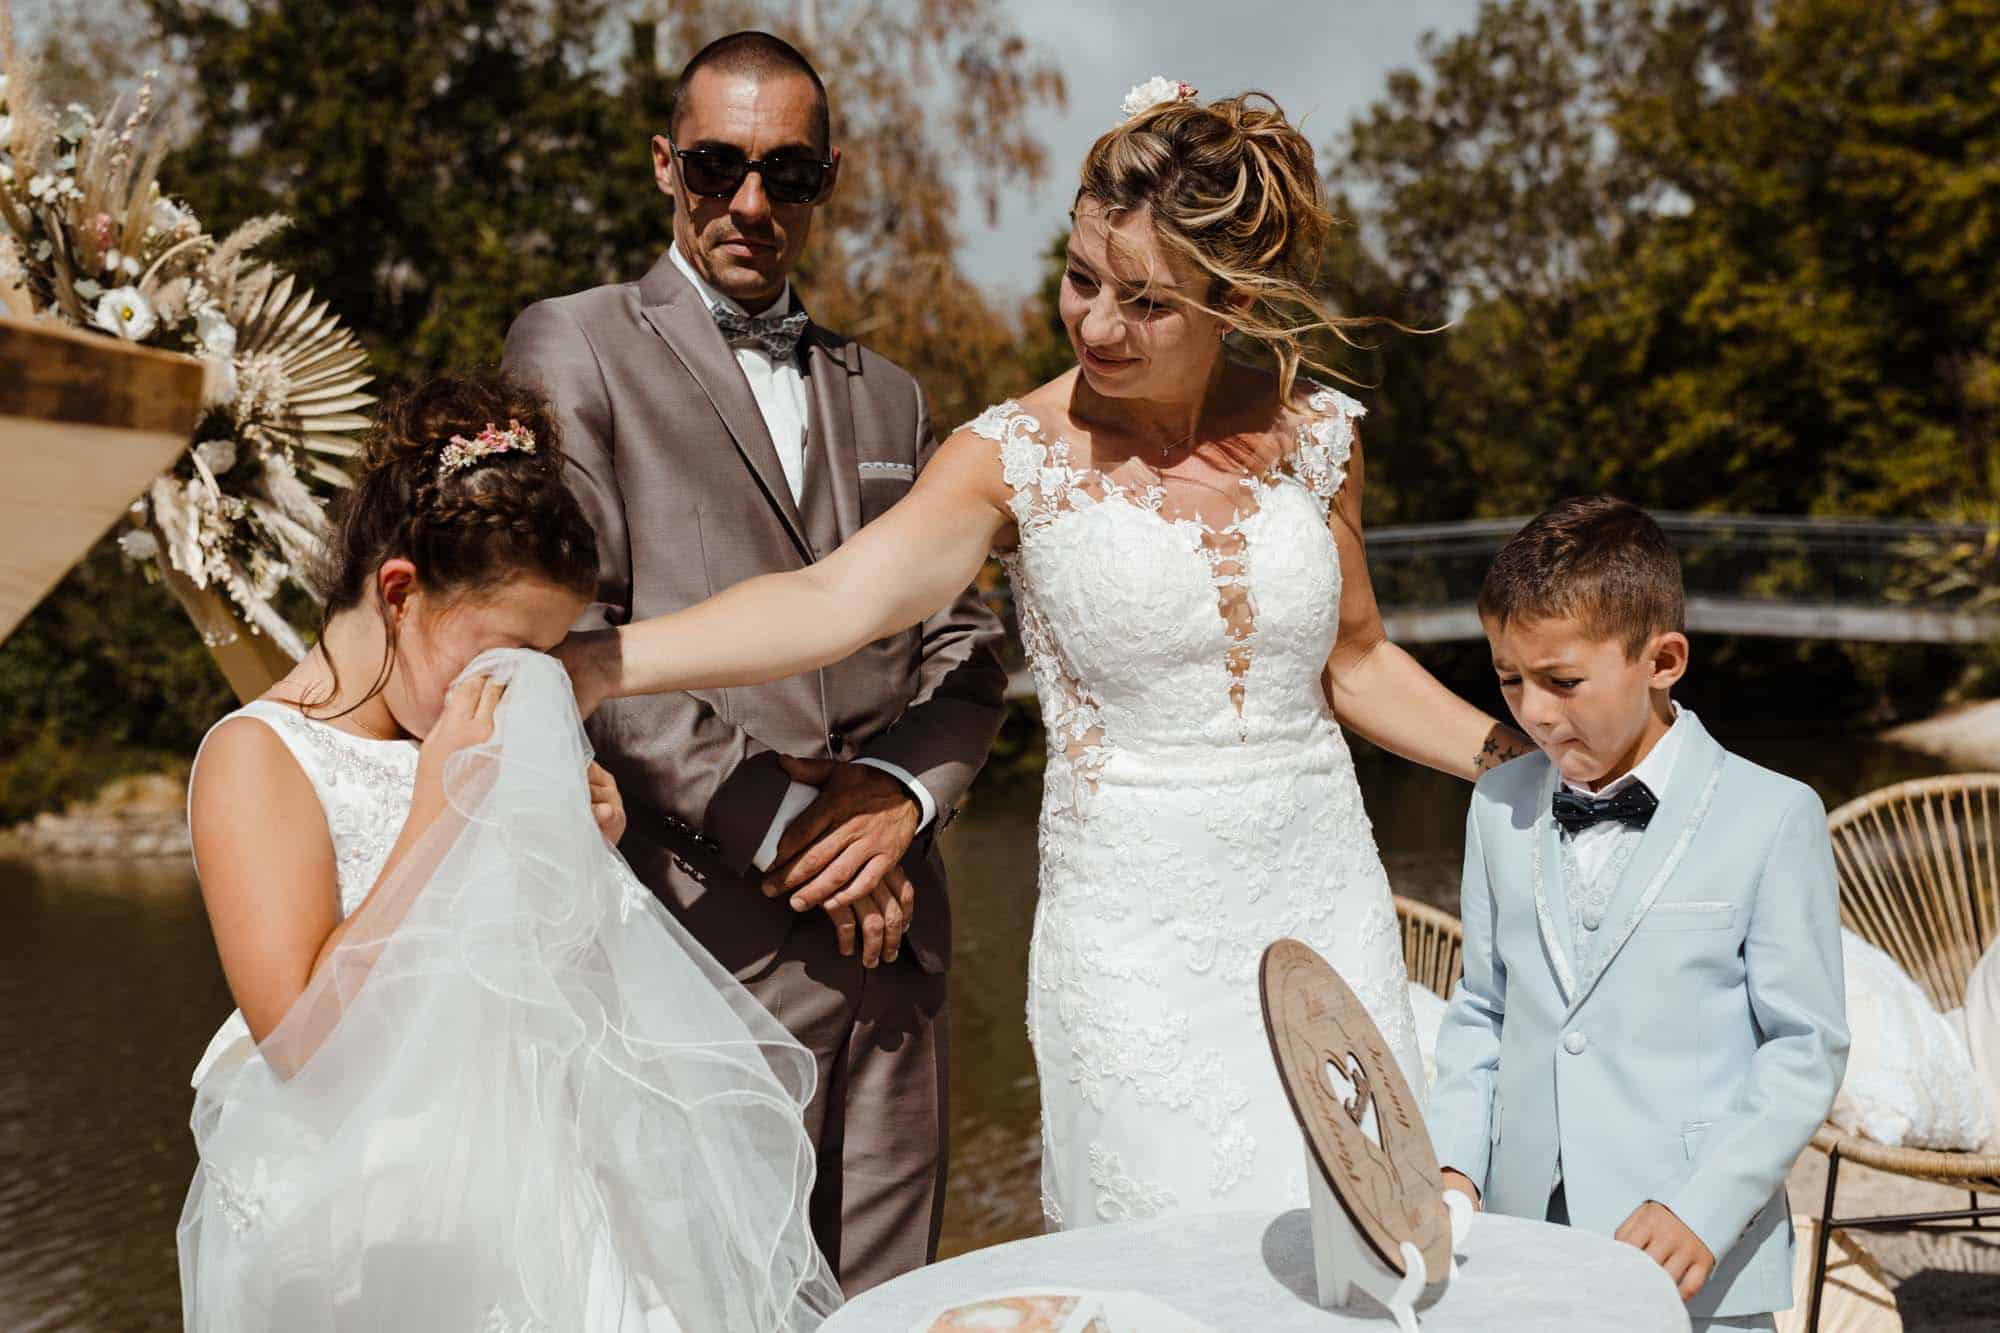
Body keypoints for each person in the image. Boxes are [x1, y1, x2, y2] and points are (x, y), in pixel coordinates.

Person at [559, 81, 1532, 1231]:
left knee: (1364, 1245)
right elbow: (830, 600)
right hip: (1130, 942)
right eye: (1080, 280)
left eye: (1146, 301)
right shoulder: (1009, 456)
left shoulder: (1314, 435)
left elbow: (1357, 665)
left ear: (1232, 300)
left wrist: (1524, 758)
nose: (1096, 324)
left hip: (1325, 904)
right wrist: (595, 663)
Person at [501, 30, 1008, 1288]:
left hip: (896, 943)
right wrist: (794, 830)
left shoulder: (888, 396)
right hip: (702, 941)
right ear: (664, 165)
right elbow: (578, 648)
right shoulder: (572, 346)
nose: (749, 202)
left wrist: (894, 800)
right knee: (715, 1296)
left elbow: (970, 643)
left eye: (786, 173)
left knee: (897, 1299)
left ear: (825, 179)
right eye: (718, 165)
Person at [178, 373, 840, 1331]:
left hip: (549, 1199)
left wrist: (582, 854)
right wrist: (445, 811)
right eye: (501, 653)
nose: (522, 686)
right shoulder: (258, 757)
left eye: (541, 658)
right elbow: (301, 1040)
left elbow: (535, 995)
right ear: (399, 593)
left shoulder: (456, 733)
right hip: (372, 1230)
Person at [1427, 497, 1849, 1333]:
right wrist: (1453, 1167)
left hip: (1694, 1255)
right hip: (1521, 1244)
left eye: (1562, 680)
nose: (1535, 712)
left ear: (1664, 660)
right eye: (1510, 678)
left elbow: (1805, 1049)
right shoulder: (1496, 805)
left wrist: (1705, 1204)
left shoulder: (1773, 814)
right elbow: (1482, 1009)